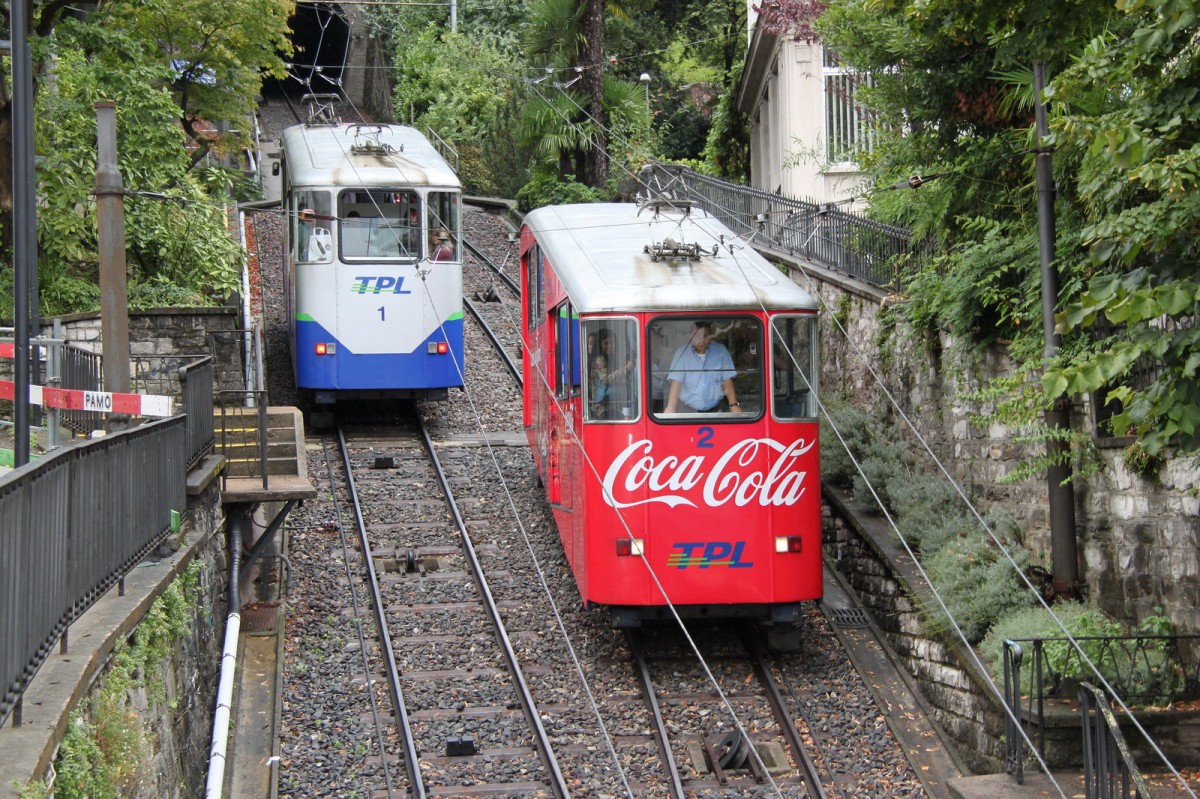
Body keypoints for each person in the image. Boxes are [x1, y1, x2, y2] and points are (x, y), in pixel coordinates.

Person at [663, 321, 741, 413]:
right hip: (687, 409)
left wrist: (733, 405)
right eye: (697, 336)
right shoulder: (682, 353)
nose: (702, 340)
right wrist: (671, 407)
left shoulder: (720, 351)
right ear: (690, 337)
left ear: (711, 336)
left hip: (717, 409)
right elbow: (676, 382)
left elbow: (727, 379)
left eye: (706, 336)